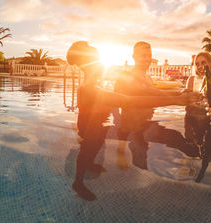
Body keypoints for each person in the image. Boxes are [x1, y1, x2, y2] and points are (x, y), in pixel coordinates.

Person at [67, 41, 196, 201]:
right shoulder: (90, 89)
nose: (101, 65)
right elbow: (129, 100)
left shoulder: (93, 87)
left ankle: (91, 165)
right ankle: (78, 182)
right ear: (89, 66)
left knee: (95, 148)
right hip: (89, 129)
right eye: (98, 62)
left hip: (96, 127)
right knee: (87, 151)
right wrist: (176, 101)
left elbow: (141, 95)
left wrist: (177, 96)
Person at [114, 41, 196, 169]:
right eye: (143, 55)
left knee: (176, 139)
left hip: (148, 124)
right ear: (134, 56)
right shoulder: (126, 76)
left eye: (149, 55)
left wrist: (180, 93)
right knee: (175, 139)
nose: (147, 59)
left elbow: (155, 93)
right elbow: (146, 93)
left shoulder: (148, 78)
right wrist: (178, 97)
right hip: (133, 127)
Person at [184, 51, 211, 144]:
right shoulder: (191, 79)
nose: (200, 66)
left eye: (203, 63)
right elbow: (187, 102)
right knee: (192, 142)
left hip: (210, 121)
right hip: (192, 118)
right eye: (197, 64)